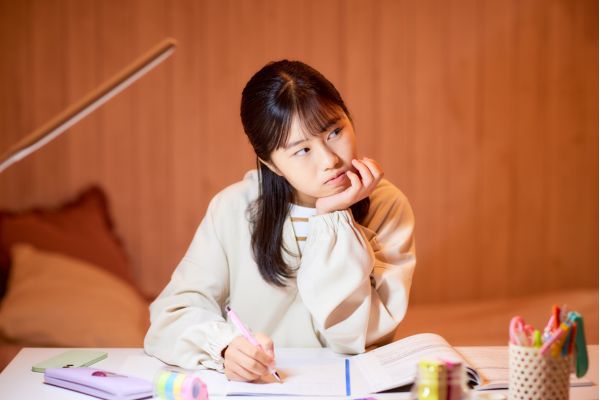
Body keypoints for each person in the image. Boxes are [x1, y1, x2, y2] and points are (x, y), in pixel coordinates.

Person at [144, 60, 416, 382]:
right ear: (271, 164)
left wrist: (332, 217)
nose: (330, 160)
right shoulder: (233, 208)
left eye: (335, 131)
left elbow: (355, 338)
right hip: (263, 388)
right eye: (302, 150)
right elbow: (169, 317)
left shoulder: (387, 205)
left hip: (350, 385)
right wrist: (226, 347)